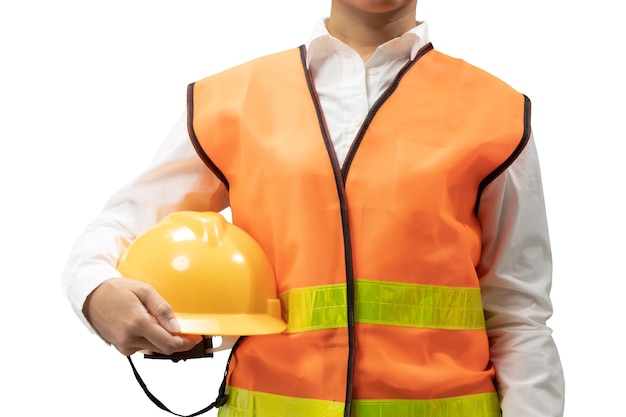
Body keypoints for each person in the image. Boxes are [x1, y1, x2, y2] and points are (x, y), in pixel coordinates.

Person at [62, 1, 565, 416]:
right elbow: (124, 224)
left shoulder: (495, 113)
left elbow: (519, 316)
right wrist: (94, 292)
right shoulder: (230, 101)